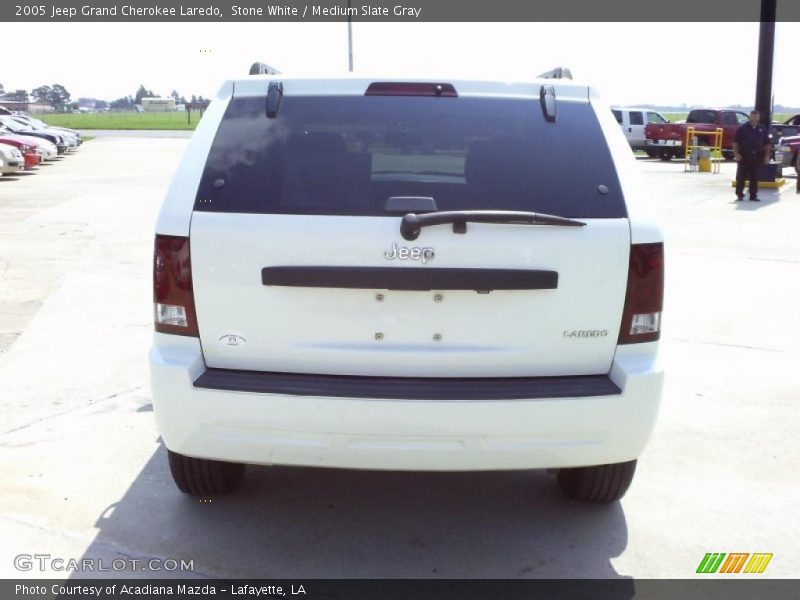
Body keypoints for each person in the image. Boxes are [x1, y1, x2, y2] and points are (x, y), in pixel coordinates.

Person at [733, 110, 771, 201]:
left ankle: (753, 195)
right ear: (750, 117)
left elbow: (767, 143)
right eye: (753, 116)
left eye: (756, 116)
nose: (754, 118)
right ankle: (740, 194)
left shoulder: (762, 129)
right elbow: (735, 142)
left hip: (757, 156)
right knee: (741, 176)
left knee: (754, 176)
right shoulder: (742, 128)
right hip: (744, 155)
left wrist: (766, 156)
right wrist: (736, 154)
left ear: (758, 117)